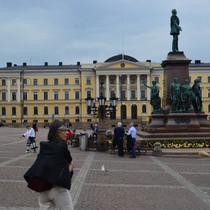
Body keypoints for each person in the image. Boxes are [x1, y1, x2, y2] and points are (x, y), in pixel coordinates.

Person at [24, 120, 75, 210]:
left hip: (43, 190)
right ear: (58, 132)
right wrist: (70, 168)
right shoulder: (62, 145)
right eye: (65, 130)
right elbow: (69, 164)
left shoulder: (44, 145)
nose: (67, 132)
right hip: (57, 189)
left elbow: (42, 165)